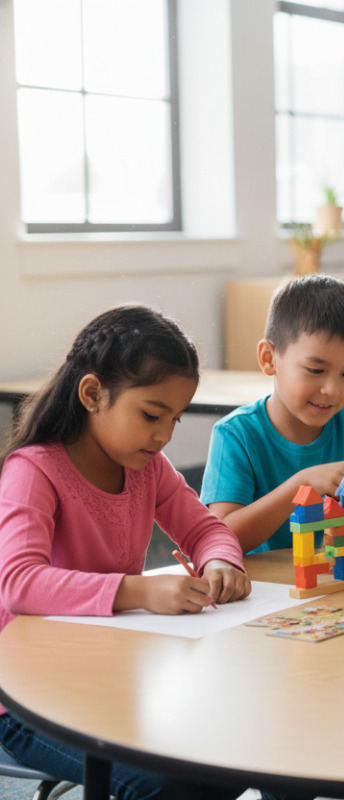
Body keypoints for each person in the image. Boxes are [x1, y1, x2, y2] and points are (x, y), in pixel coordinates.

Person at [0, 305, 250, 800]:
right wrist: (138, 591)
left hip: (112, 675)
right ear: (93, 394)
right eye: (152, 415)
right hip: (28, 700)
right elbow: (19, 583)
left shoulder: (147, 467)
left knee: (239, 757)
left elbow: (205, 529)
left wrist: (222, 559)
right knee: (176, 786)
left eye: (175, 419)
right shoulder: (34, 470)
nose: (164, 436)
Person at [201, 274, 344, 554]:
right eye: (315, 370)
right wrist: (303, 483)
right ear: (269, 359)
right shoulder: (235, 434)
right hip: (270, 592)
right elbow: (222, 538)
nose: (332, 390)